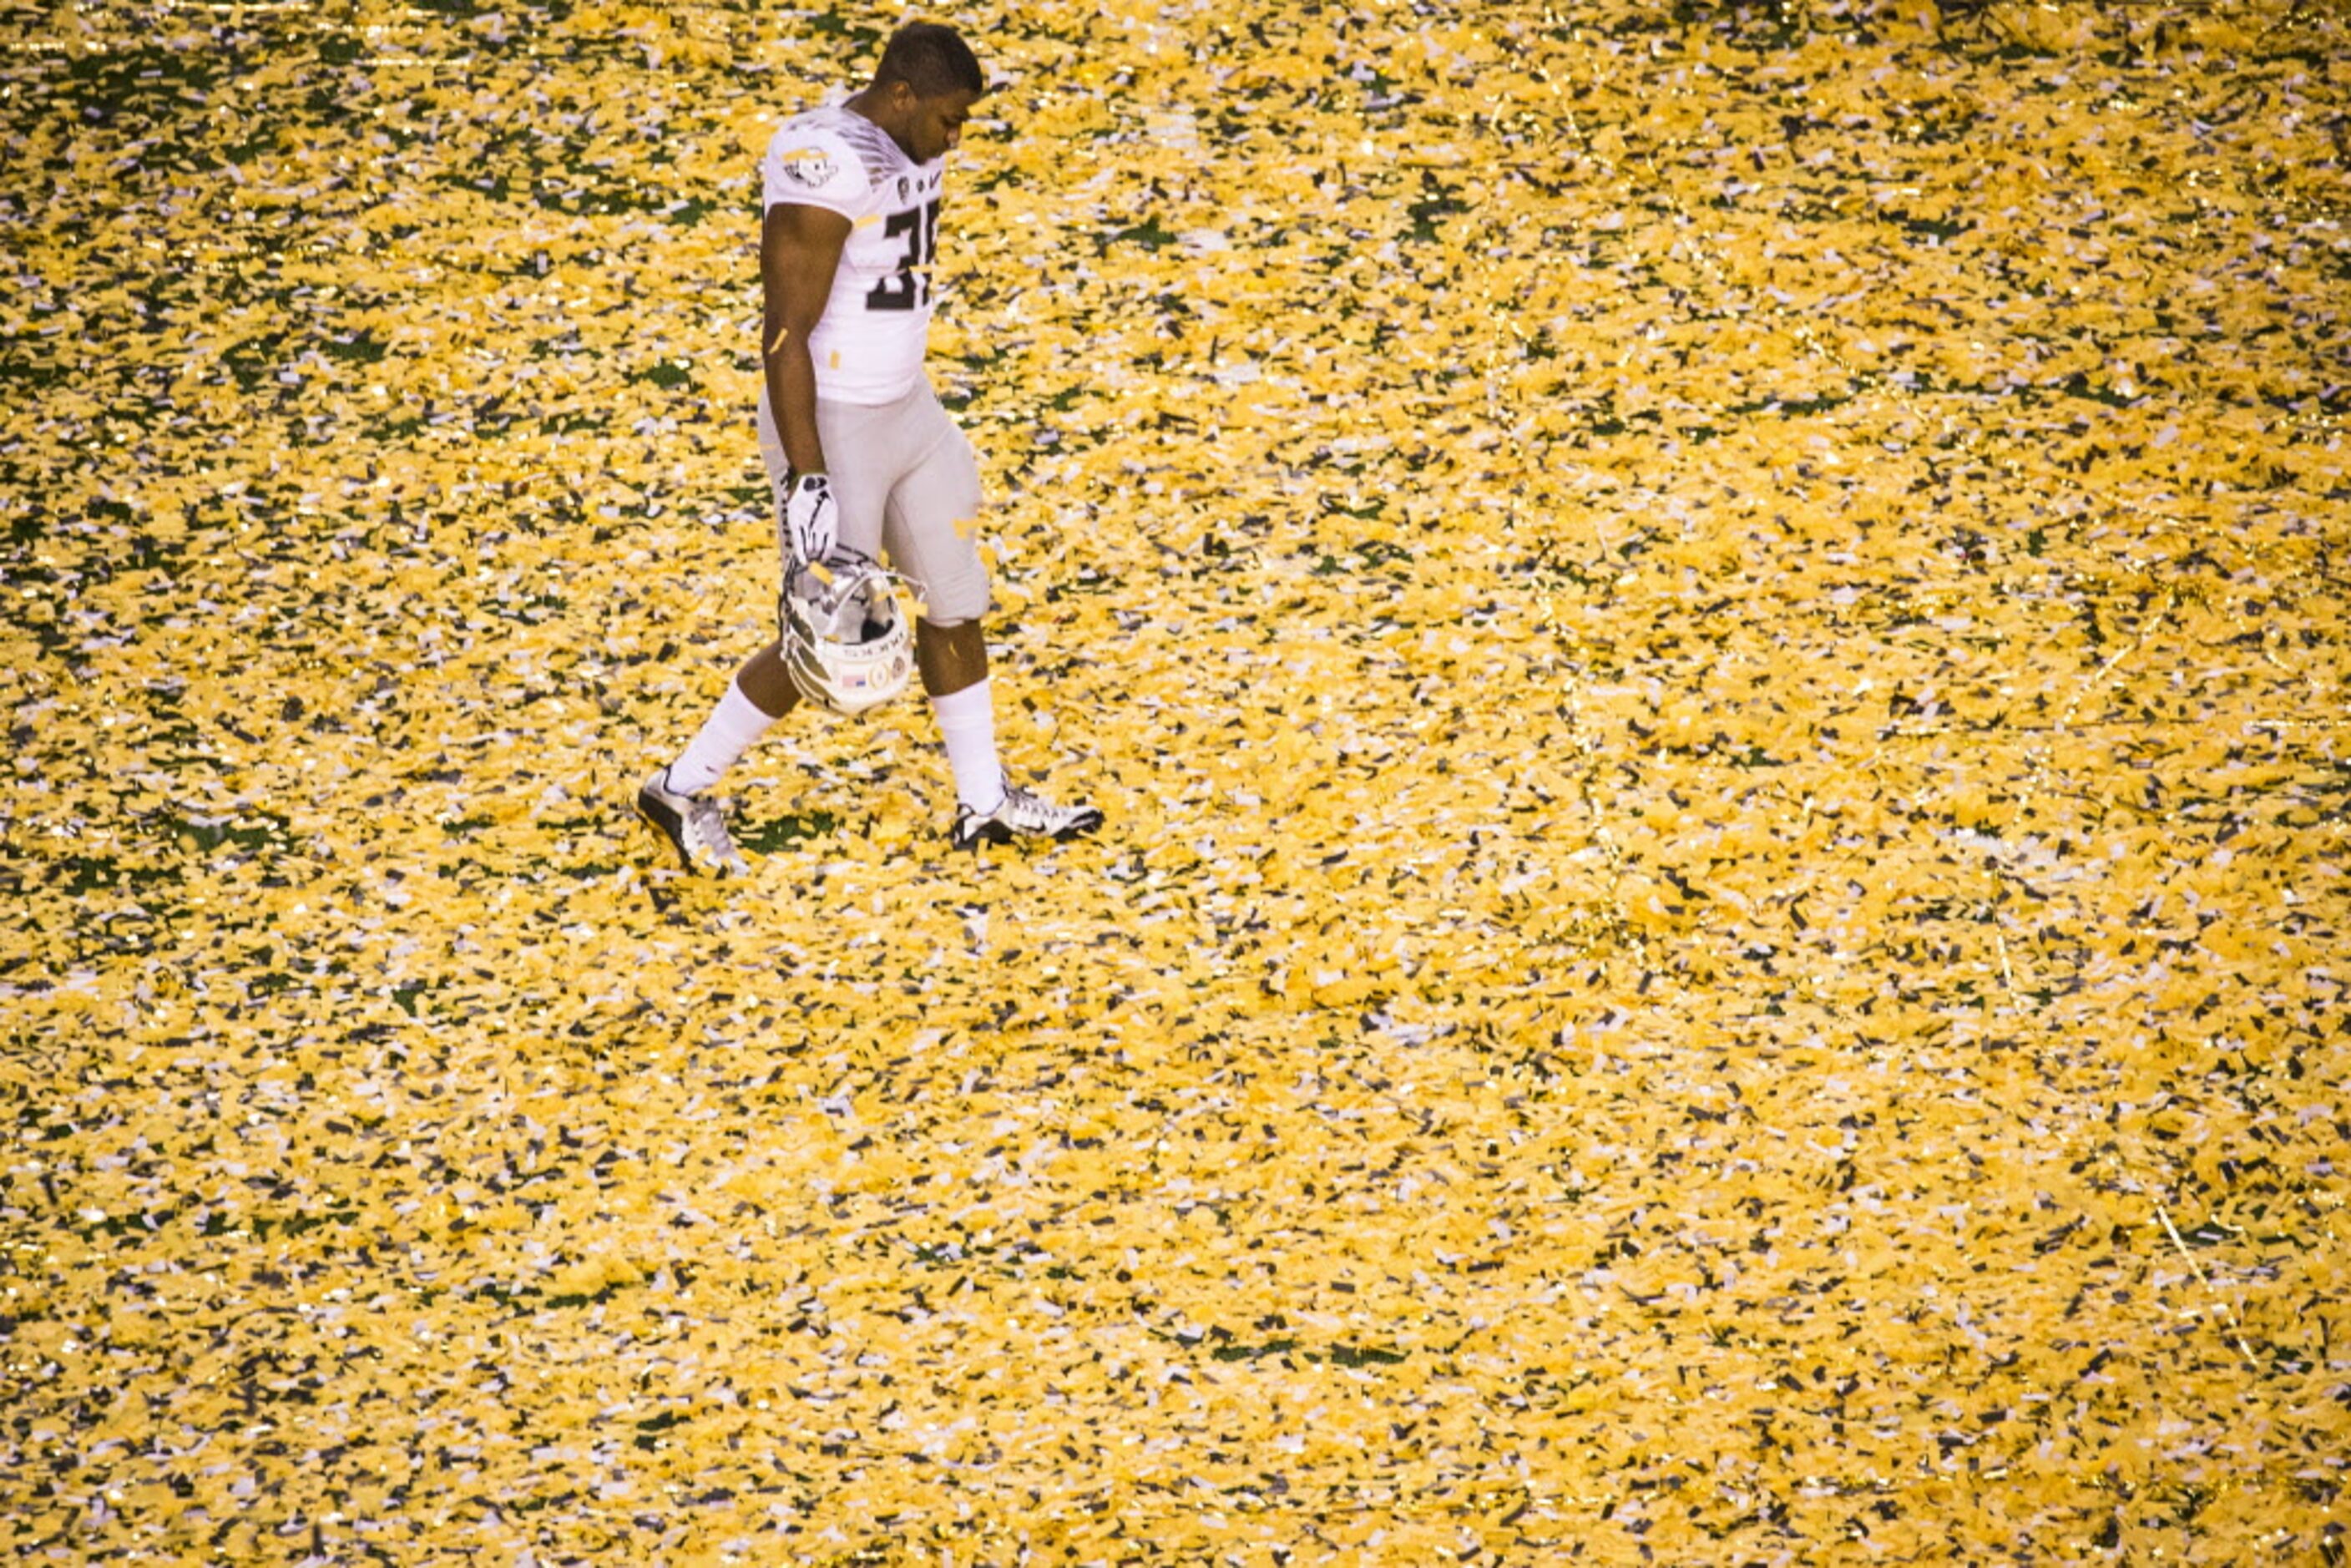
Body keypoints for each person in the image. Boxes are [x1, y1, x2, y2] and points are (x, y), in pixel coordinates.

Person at [638, 21, 1102, 874]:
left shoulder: (910, 124)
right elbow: (784, 332)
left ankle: (982, 803)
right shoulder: (823, 164)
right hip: (834, 420)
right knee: (829, 633)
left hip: (907, 407)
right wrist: (807, 475)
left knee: (954, 599)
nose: (955, 137)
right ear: (899, 97)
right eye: (948, 119)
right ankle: (680, 785)